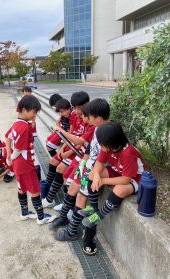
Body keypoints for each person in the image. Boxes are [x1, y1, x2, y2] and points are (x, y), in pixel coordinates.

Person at [52, 99, 110, 256]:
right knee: (72, 187)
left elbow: (104, 157)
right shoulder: (98, 128)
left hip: (94, 172)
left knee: (81, 198)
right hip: (87, 167)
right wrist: (83, 162)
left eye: (88, 116)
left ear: (97, 117)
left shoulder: (107, 132)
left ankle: (72, 230)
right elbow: (90, 147)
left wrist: (92, 171)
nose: (86, 119)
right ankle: (64, 217)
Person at [81, 121, 145, 229]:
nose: (100, 145)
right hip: (118, 171)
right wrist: (96, 176)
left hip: (136, 178)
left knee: (119, 189)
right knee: (91, 174)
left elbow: (125, 180)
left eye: (101, 143)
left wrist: (102, 181)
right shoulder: (107, 148)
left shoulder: (128, 153)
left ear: (111, 141)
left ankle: (99, 215)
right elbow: (99, 163)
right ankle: (93, 207)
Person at [5, 95, 56, 224]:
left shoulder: (17, 123)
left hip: (18, 164)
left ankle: (24, 213)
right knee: (34, 189)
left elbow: (7, 137)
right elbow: (19, 149)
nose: (35, 115)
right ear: (24, 109)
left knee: (21, 187)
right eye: (33, 112)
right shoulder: (24, 127)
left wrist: (8, 156)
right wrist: (11, 156)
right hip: (25, 164)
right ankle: (41, 217)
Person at [42, 91, 91, 209]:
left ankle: (67, 209)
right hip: (80, 155)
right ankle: (63, 205)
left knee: (78, 188)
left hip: (83, 157)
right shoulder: (78, 117)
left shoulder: (90, 124)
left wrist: (68, 151)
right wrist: (63, 148)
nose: (76, 112)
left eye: (79, 109)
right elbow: (73, 134)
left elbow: (81, 142)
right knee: (65, 176)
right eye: (75, 108)